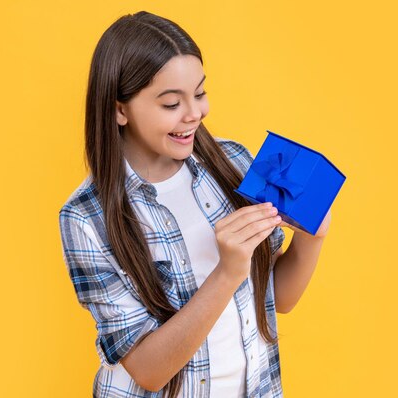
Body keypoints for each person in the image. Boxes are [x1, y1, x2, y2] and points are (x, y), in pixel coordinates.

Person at [58, 11, 331, 398]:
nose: (195, 114)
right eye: (171, 104)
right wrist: (227, 272)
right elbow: (148, 372)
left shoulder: (234, 164)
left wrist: (312, 238)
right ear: (120, 109)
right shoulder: (87, 217)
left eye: (200, 93)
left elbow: (276, 299)